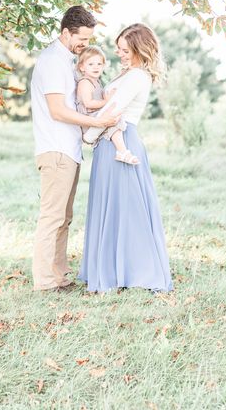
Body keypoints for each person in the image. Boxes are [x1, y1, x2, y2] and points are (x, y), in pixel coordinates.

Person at [30, 5, 119, 292]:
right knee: (52, 218)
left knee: (64, 219)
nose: (86, 45)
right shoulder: (53, 62)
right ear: (66, 32)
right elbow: (58, 111)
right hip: (55, 150)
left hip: (68, 150)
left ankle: (60, 278)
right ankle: (45, 283)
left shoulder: (67, 61)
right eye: (82, 38)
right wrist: (101, 120)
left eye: (89, 39)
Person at [78, 23, 173, 293]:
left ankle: (134, 271)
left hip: (120, 138)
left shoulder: (137, 77)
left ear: (138, 49)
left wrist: (88, 136)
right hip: (109, 140)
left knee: (127, 206)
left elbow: (112, 109)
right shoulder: (127, 73)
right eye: (118, 49)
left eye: (124, 50)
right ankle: (111, 267)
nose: (119, 54)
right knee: (111, 204)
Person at [75, 45, 140, 165]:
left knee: (114, 119)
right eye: (91, 64)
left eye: (99, 64)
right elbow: (88, 104)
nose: (96, 67)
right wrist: (107, 102)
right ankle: (122, 151)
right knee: (112, 119)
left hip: (94, 115)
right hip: (88, 119)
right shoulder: (85, 82)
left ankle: (121, 150)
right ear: (82, 67)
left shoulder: (96, 82)